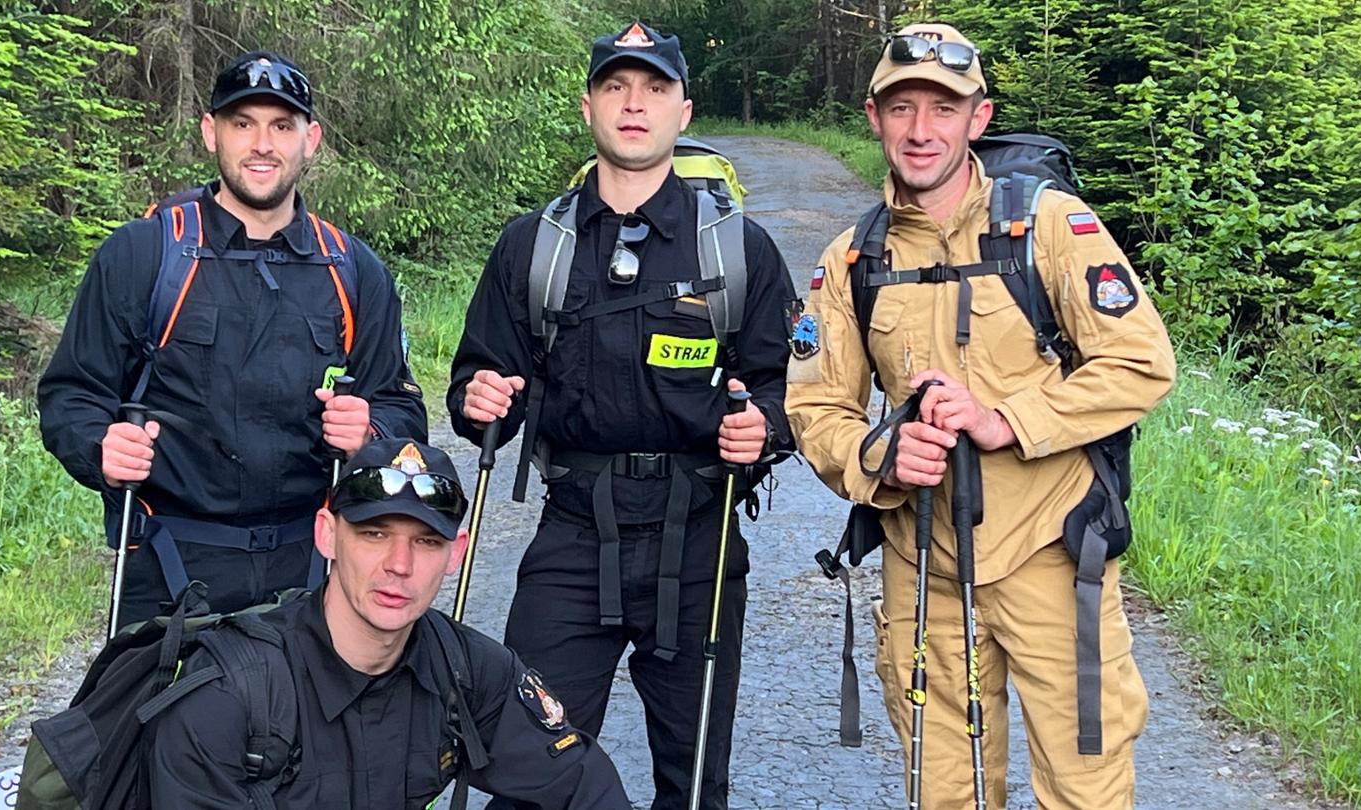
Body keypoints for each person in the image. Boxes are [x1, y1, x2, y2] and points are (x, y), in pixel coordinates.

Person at [785, 23, 1177, 809]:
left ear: (979, 117)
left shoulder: (1051, 227)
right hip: (922, 565)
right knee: (945, 793)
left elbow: (1141, 362)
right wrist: (881, 457)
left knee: (1087, 790)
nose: (921, 129)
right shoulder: (852, 261)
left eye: (944, 107)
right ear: (874, 117)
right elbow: (815, 406)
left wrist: (1009, 420)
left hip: (1053, 555)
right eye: (902, 108)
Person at [447, 22, 795, 810]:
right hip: (573, 532)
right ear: (588, 107)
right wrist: (478, 400)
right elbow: (479, 381)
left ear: (684, 110)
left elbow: (785, 392)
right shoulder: (533, 248)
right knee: (527, 769)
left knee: (695, 781)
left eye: (655, 88)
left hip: (699, 536)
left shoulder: (737, 252)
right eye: (616, 87)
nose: (634, 104)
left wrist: (766, 428)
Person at [39, 51, 426, 627]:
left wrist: (369, 433)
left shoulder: (352, 271)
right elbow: (72, 394)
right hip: (169, 567)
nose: (262, 144)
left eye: (282, 126)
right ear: (210, 132)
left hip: (314, 568)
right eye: (242, 123)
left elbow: (400, 406)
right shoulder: (145, 254)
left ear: (311, 139)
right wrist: (101, 447)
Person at [147, 438, 631, 808]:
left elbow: (584, 784)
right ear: (327, 535)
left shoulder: (468, 670)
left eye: (426, 541)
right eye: (374, 534)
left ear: (456, 555)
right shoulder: (229, 695)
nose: (399, 565)